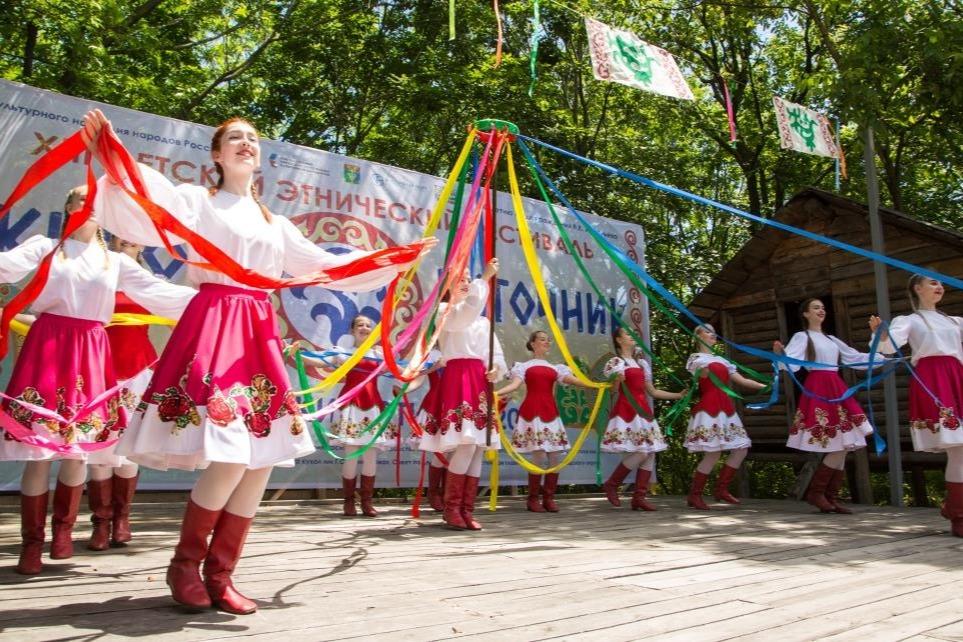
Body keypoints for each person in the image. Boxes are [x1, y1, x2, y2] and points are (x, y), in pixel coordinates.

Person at [84, 110, 435, 613]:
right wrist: (109, 152)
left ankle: (221, 573)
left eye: (252, 139)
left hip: (256, 329)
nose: (246, 145)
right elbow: (145, 196)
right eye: (234, 139)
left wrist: (397, 258)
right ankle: (184, 565)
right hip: (215, 324)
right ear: (217, 154)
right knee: (231, 452)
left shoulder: (278, 224)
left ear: (260, 155)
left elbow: (327, 266)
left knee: (263, 460)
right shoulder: (197, 202)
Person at [0, 186, 194, 575]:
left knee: (77, 448)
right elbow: (4, 265)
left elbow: (161, 293)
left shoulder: (114, 262)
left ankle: (63, 535)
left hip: (91, 348)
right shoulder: (45, 248)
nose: (86, 207)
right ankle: (32, 544)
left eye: (94, 203)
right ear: (67, 207)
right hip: (48, 346)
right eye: (78, 200)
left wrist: (218, 300)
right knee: (38, 451)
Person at [871, 275, 963, 536]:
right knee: (958, 448)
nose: (939, 287)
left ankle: (954, 509)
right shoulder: (909, 321)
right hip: (934, 380)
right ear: (917, 288)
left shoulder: (954, 321)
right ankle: (958, 516)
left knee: (961, 451)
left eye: (940, 284)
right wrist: (881, 334)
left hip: (957, 377)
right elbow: (888, 346)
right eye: (932, 283)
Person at [775, 298, 883, 514]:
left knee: (845, 442)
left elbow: (854, 357)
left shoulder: (832, 339)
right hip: (820, 387)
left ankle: (829, 496)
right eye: (815, 308)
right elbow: (792, 363)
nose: (821, 310)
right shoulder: (802, 336)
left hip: (836, 386)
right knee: (840, 443)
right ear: (805, 314)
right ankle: (817, 493)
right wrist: (781, 356)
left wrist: (883, 358)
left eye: (823, 308)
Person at [419, 260, 505, 531]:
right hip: (458, 379)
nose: (467, 282)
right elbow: (463, 316)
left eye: (469, 277)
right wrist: (485, 278)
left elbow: (495, 352)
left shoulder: (482, 321)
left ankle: (466, 509)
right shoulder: (445, 311)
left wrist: (495, 368)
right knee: (467, 443)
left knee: (479, 446)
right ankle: (452, 508)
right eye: (461, 278)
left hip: (478, 381)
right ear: (448, 285)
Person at [85, 237, 159, 550]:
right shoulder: (98, 274)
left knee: (129, 447)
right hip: (100, 367)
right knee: (100, 447)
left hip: (138, 368)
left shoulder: (150, 282)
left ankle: (122, 519)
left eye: (134, 234)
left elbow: (179, 310)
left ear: (143, 245)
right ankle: (100, 523)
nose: (127, 238)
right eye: (119, 231)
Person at [309, 315, 398, 518]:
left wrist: (424, 367)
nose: (365, 328)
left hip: (373, 407)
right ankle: (348, 502)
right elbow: (319, 361)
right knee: (351, 454)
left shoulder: (379, 355)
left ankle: (367, 502)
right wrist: (293, 355)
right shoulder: (344, 353)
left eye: (368, 325)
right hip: (351, 407)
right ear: (352, 330)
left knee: (370, 456)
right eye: (360, 325)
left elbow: (401, 370)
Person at [495, 330, 591, 513]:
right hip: (532, 411)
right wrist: (496, 394)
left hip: (550, 412)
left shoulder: (555, 368)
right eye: (542, 339)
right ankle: (532, 499)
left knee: (555, 456)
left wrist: (594, 385)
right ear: (532, 344)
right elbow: (515, 385)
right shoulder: (523, 366)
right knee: (538, 455)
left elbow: (573, 380)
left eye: (548, 340)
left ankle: (549, 498)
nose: (546, 342)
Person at [600, 325, 685, 511]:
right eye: (627, 334)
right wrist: (616, 380)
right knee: (642, 452)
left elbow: (652, 391)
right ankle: (612, 483)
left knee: (650, 452)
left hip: (643, 411)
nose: (632, 336)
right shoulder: (616, 362)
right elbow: (613, 392)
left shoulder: (641, 364)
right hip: (627, 411)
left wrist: (678, 395)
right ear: (619, 340)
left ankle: (639, 497)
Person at [683, 324, 766, 510]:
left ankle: (721, 489)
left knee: (741, 448)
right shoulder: (696, 358)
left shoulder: (722, 359)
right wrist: (702, 371)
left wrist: (764, 386)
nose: (713, 334)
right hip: (710, 406)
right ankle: (694, 495)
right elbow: (700, 375)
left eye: (714, 331)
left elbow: (742, 380)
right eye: (707, 330)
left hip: (726, 408)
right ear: (698, 336)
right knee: (713, 452)